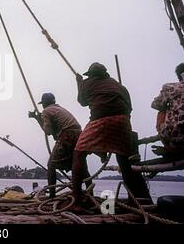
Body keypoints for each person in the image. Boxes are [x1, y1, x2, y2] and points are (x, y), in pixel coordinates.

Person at [72, 62, 152, 210]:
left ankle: (76, 202)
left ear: (91, 75)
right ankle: (133, 200)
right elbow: (129, 107)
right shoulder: (119, 86)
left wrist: (79, 83)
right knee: (124, 159)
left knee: (78, 154)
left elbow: (82, 102)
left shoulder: (88, 83)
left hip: (101, 119)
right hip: (123, 121)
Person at [29, 93, 92, 198]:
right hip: (79, 135)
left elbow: (48, 131)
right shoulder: (60, 109)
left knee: (51, 166)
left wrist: (39, 119)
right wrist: (37, 118)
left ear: (44, 104)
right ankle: (91, 195)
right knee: (80, 166)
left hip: (67, 135)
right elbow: (54, 130)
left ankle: (52, 196)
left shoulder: (46, 111)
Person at [151, 63, 184, 157]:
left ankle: (169, 147)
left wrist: (168, 104)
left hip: (176, 140)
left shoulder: (170, 88)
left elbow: (155, 104)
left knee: (162, 110)